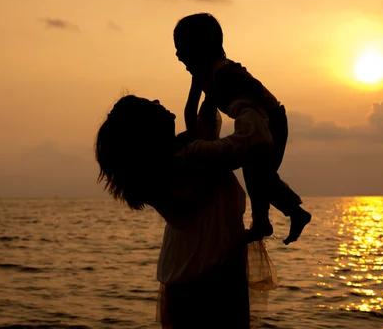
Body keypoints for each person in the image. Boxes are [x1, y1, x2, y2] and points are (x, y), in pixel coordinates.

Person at [95, 95, 277, 329]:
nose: (158, 100)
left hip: (187, 270)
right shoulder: (191, 157)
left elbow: (200, 118)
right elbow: (254, 140)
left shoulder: (162, 169)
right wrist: (241, 103)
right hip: (210, 275)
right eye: (152, 104)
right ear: (149, 128)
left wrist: (204, 86)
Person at [174, 12, 311, 245]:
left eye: (182, 49)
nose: (178, 56)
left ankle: (284, 216)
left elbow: (255, 102)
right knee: (258, 173)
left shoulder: (225, 74)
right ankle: (267, 221)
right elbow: (192, 108)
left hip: (271, 121)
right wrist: (194, 138)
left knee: (261, 175)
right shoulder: (202, 74)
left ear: (201, 48)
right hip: (254, 121)